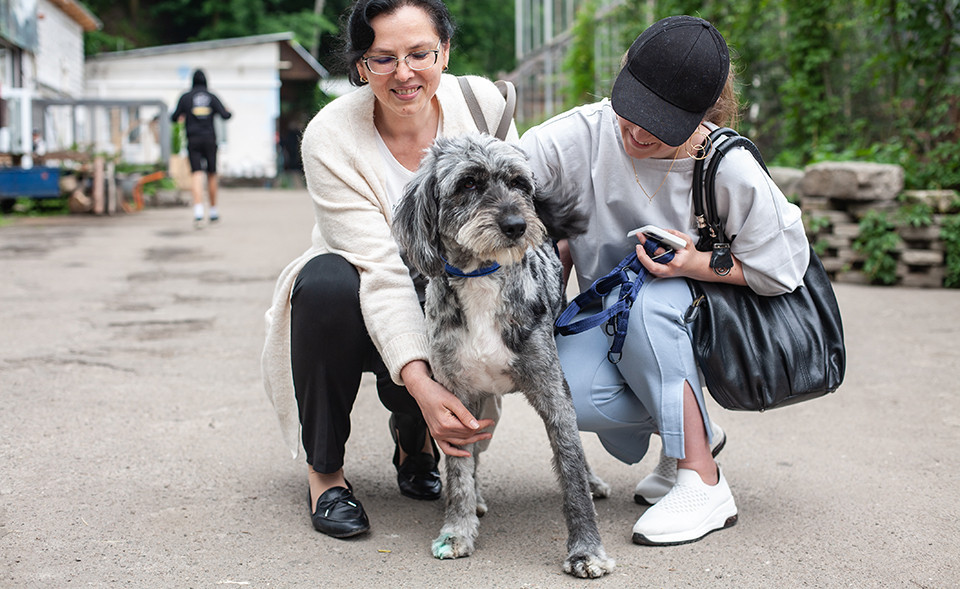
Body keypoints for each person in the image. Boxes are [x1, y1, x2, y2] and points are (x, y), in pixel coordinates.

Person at [520, 15, 809, 546]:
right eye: (630, 111)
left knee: (654, 299)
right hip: (613, 322)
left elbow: (782, 269)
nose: (633, 132)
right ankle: (689, 423)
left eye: (657, 126)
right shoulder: (582, 134)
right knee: (563, 389)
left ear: (703, 117)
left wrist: (695, 264)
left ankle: (702, 480)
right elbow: (504, 175)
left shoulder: (727, 166)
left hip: (703, 325)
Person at [261, 0, 515, 539]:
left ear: (444, 53)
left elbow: (518, 208)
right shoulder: (331, 136)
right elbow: (380, 271)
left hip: (453, 288)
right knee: (325, 284)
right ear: (360, 67)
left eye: (419, 53)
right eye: (383, 59)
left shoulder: (482, 104)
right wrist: (424, 385)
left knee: (446, 288)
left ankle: (415, 443)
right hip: (362, 290)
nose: (404, 73)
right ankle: (325, 476)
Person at [171, 69, 232, 227]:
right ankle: (213, 212)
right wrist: (226, 109)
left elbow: (173, 117)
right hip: (210, 139)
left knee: (196, 174)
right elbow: (226, 116)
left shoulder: (186, 97)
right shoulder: (212, 97)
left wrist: (184, 116)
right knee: (212, 174)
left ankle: (198, 212)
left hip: (193, 139)